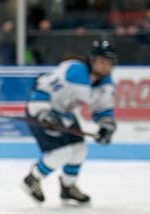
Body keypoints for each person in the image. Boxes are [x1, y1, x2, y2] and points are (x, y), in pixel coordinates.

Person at [22, 39, 117, 205]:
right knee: (62, 153)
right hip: (40, 110)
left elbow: (102, 109)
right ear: (92, 60)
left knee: (80, 149)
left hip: (65, 115)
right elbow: (43, 85)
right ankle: (32, 178)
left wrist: (106, 126)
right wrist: (44, 114)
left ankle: (68, 188)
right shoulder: (74, 70)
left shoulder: (105, 83)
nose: (104, 66)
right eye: (101, 61)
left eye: (108, 62)